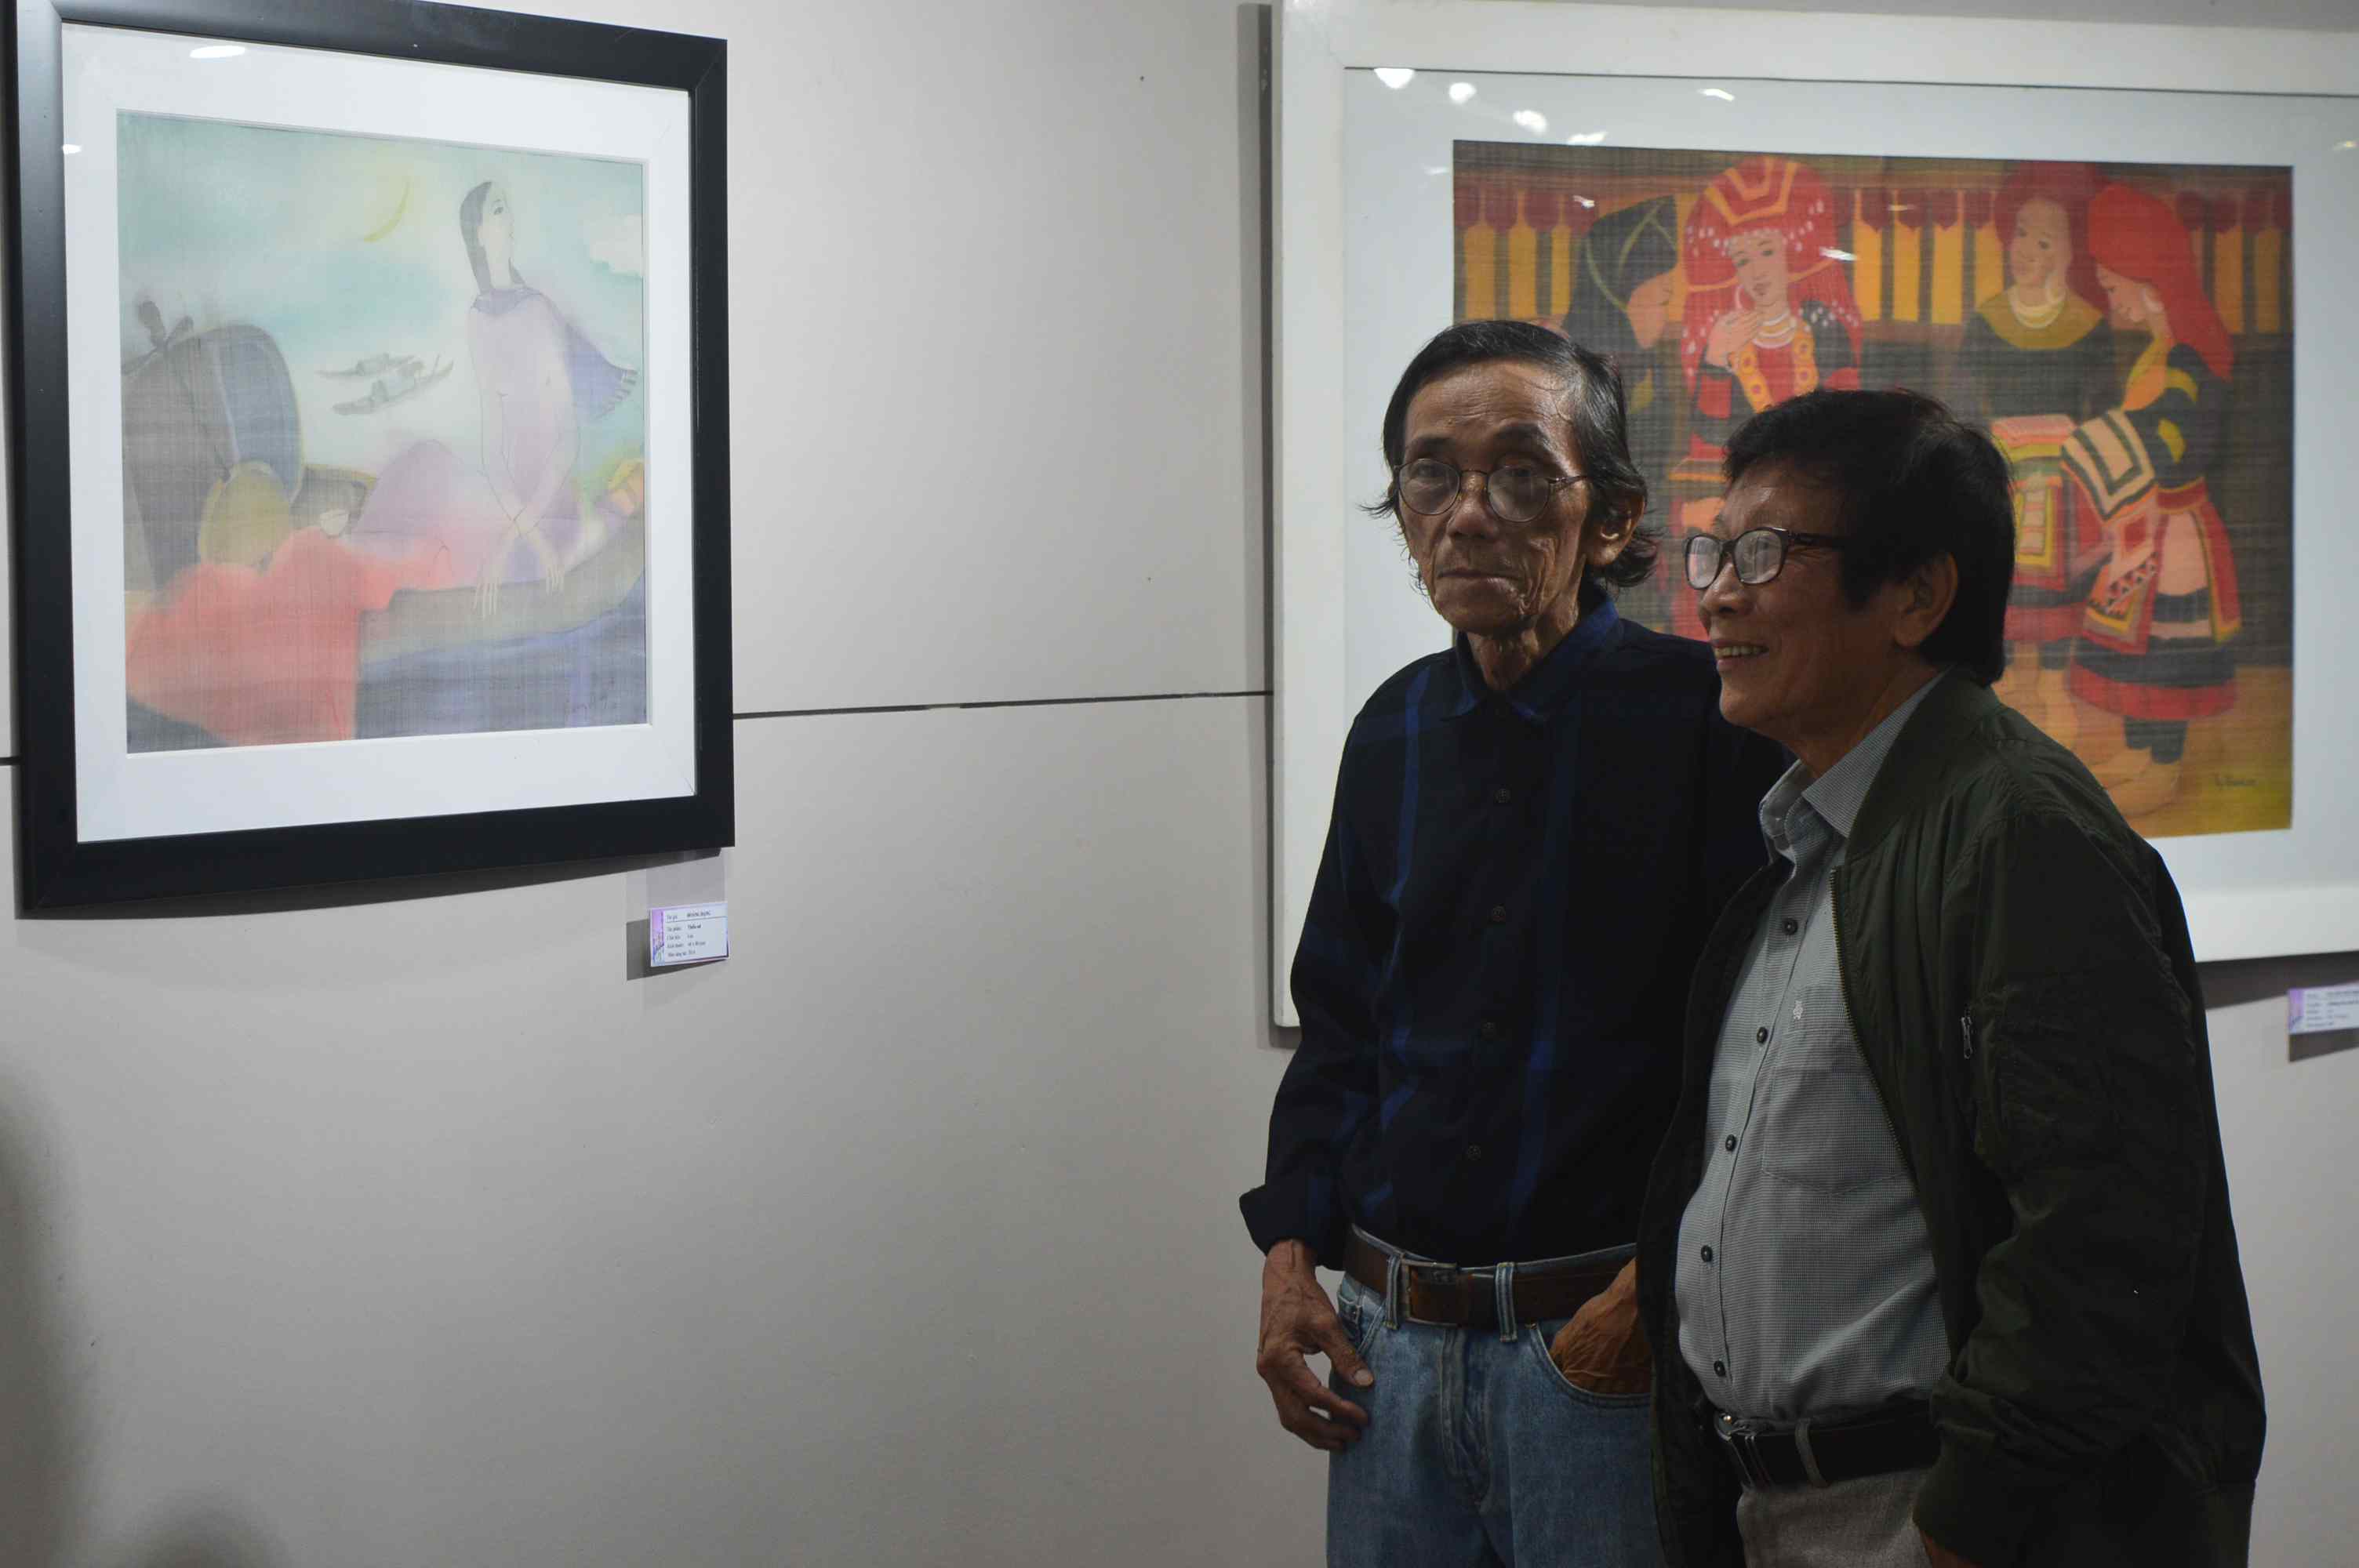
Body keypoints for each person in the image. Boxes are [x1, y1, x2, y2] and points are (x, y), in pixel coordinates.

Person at [1638, 387, 2264, 1567]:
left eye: (1765, 553)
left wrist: (1962, 1525)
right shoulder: (1815, 842)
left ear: (1918, 595)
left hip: (1930, 1515)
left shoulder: (2022, 835)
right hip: (1776, 1505)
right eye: (1716, 550)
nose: (1717, 591)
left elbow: (2100, 1241)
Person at [1245, 320, 1783, 1566]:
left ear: (1610, 519)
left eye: (1523, 475)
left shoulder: (1708, 727)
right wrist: (1287, 1262)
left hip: (1598, 1359)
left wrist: (1650, 1297)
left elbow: (1760, 1068)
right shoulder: (1391, 733)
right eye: (1431, 475)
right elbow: (1340, 1030)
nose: (1469, 513)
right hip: (1387, 1352)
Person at [353, 180, 639, 609]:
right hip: (503, 500)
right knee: (421, 467)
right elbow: (492, 437)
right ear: (479, 233)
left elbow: (565, 440)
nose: (511, 219)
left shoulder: (540, 312)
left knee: (503, 561)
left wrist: (523, 535)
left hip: (547, 502)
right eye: (499, 209)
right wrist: (513, 526)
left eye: (506, 208)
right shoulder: (478, 318)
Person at [2061, 183, 2244, 819]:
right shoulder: (2156, 354)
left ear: (2149, 282)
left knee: (2165, 652)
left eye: (2113, 287)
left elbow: (2176, 446)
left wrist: (2101, 439)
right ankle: (2142, 757)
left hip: (2176, 529)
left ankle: (2165, 769)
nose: (2110, 301)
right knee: (2132, 650)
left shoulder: (2193, 357)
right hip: (2143, 523)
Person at [1667, 157, 1863, 637]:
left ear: (1792, 254)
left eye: (1766, 253)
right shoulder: (1727, 334)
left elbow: (1851, 420)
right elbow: (1710, 433)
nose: (1756, 271)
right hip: (1740, 490)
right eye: (1743, 259)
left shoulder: (1820, 323)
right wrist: (1715, 360)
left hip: (1819, 484)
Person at [1961, 163, 2113, 746]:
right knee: (2009, 577)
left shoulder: (2090, 326)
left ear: (2067, 250)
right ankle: (2016, 673)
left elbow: (2103, 409)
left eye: (2044, 239)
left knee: (2058, 582)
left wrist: (2063, 440)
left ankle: (2053, 680)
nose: (2027, 249)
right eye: (2021, 233)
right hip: (2003, 473)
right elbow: (1963, 402)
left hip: (2065, 478)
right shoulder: (1987, 320)